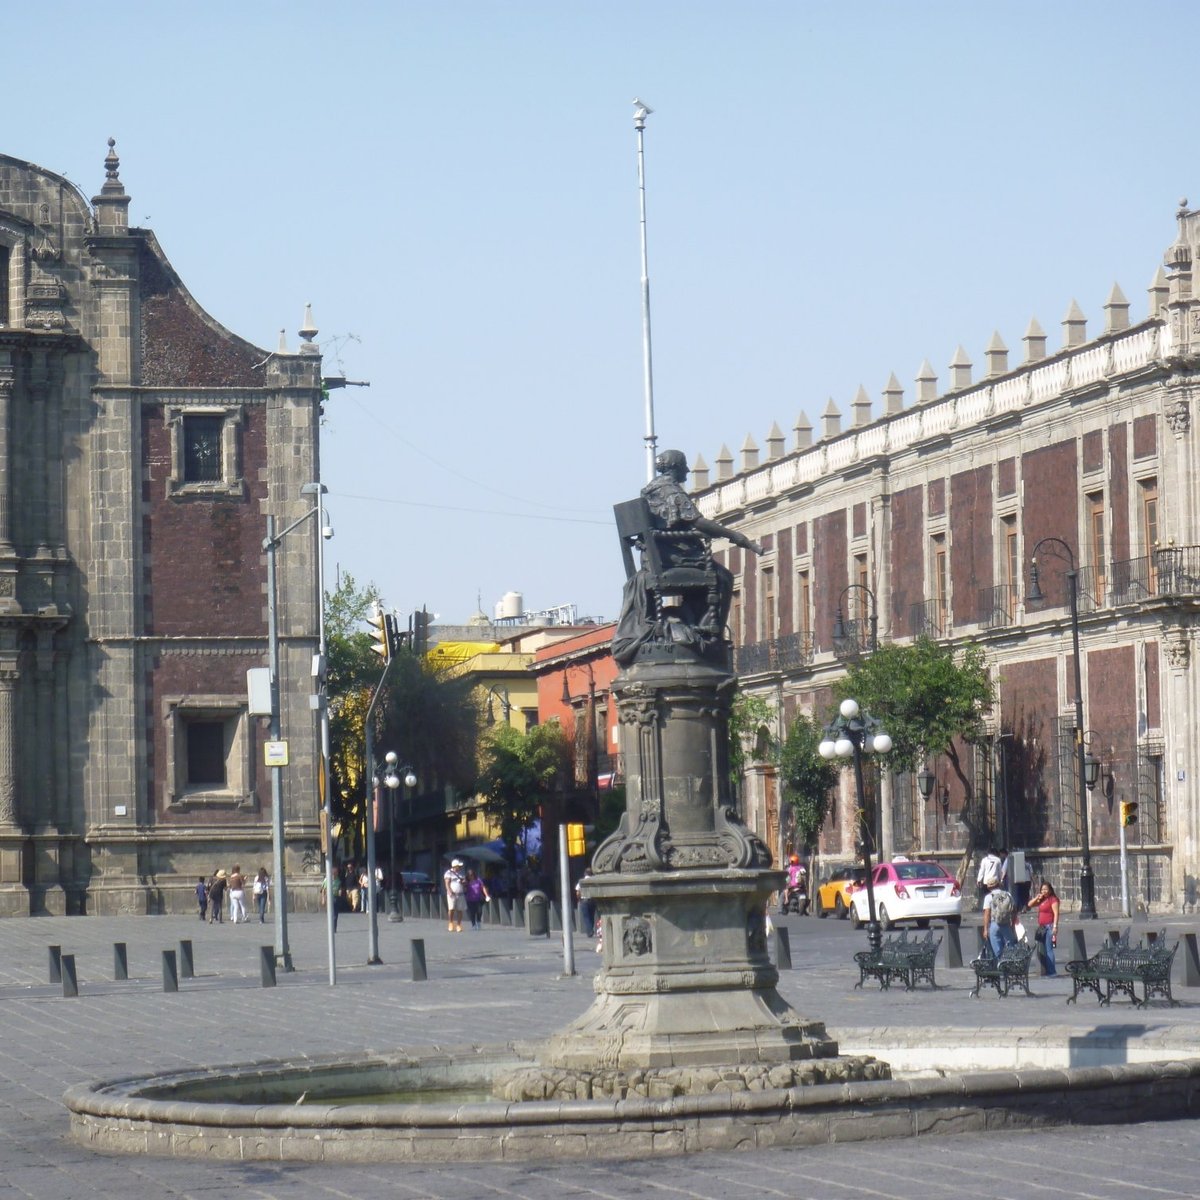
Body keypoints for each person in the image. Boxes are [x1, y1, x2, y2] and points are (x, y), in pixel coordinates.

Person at [1026, 879, 1060, 977]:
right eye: (1042, 890)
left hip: (1049, 926)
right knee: (1043, 948)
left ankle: (1052, 971)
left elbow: (1056, 913)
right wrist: (1037, 897)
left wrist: (1055, 926)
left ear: (1050, 890)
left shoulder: (1053, 899)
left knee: (1049, 949)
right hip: (1042, 927)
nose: (1044, 891)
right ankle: (1047, 970)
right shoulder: (1042, 899)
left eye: (1046, 889)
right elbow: (1029, 905)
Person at [982, 879, 1017, 960]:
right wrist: (1012, 923)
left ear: (989, 887)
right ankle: (1009, 966)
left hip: (994, 924)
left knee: (997, 951)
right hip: (1006, 924)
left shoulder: (988, 897)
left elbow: (987, 914)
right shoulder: (1007, 894)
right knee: (1010, 948)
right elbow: (1014, 910)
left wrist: (985, 929)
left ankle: (1001, 966)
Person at [444, 858, 467, 933]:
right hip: (452, 894)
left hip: (460, 893)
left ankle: (459, 925)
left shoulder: (461, 873)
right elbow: (447, 883)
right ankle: (450, 922)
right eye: (458, 866)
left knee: (460, 910)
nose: (460, 867)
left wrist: (463, 882)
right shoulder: (448, 873)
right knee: (451, 909)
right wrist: (449, 891)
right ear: (454, 866)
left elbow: (464, 882)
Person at [575, 867, 596, 938]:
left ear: (585, 873)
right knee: (592, 916)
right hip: (592, 900)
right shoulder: (594, 881)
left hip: (584, 901)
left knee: (586, 917)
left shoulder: (581, 881)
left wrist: (579, 899)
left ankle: (590, 931)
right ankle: (591, 929)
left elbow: (577, 892)